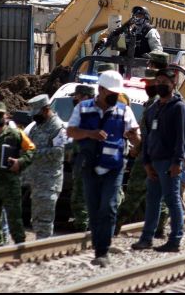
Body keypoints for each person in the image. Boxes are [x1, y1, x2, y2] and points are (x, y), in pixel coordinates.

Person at [68, 71, 140, 265]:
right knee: (93, 208)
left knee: (109, 207)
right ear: (100, 90)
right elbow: (71, 131)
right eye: (111, 92)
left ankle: (103, 250)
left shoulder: (124, 111)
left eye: (117, 93)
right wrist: (90, 134)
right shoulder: (83, 108)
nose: (115, 96)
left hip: (114, 167)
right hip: (90, 166)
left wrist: (134, 137)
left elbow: (137, 138)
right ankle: (97, 244)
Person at [134, 68, 185, 253]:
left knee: (172, 200)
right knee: (152, 201)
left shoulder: (179, 108)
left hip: (169, 163)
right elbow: (147, 136)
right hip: (154, 162)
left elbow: (182, 137)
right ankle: (146, 239)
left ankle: (175, 240)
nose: (160, 85)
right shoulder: (153, 109)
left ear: (173, 84)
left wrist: (177, 162)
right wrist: (146, 162)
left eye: (165, 82)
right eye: (158, 81)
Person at [116, 73, 168, 237]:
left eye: (150, 83)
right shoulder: (155, 103)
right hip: (156, 154)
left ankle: (114, 225)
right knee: (156, 193)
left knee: (135, 190)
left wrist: (138, 147)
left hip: (150, 155)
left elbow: (152, 134)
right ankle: (159, 228)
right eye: (145, 83)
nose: (147, 87)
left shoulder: (156, 104)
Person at [0, 103, 36, 247]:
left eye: (1, 114)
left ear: (6, 116)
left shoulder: (16, 134)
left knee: (15, 221)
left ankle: (20, 248)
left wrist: (20, 162)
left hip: (10, 186)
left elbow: (31, 150)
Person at [24, 94, 67, 240]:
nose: (33, 116)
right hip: (36, 181)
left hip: (49, 181)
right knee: (36, 218)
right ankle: (39, 244)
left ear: (45, 109)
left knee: (44, 220)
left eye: (36, 113)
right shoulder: (36, 127)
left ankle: (44, 246)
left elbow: (59, 152)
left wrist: (34, 153)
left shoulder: (57, 127)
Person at [71, 85, 96, 232]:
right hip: (80, 158)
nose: (75, 99)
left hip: (87, 159)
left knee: (81, 197)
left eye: (78, 96)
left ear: (86, 97)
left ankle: (83, 228)